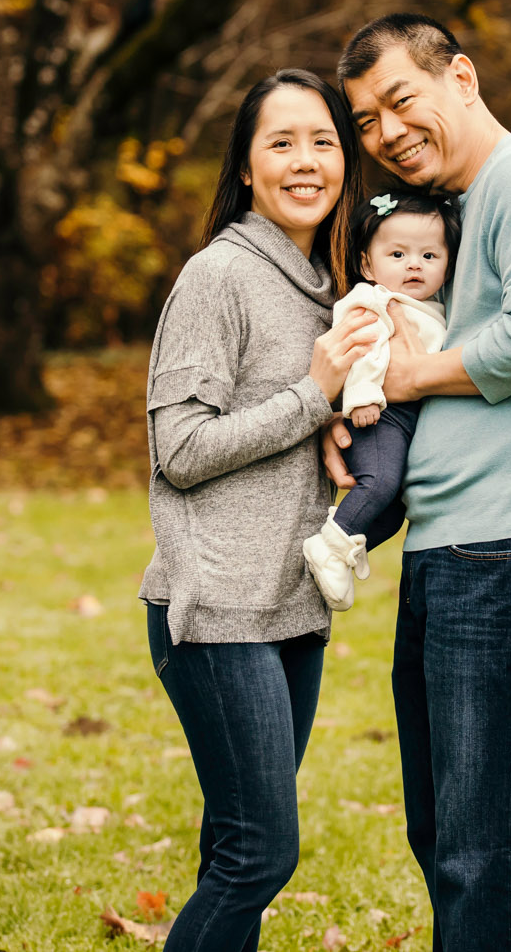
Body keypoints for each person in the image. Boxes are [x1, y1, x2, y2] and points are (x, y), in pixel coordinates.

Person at [326, 14, 511, 952]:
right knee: (458, 833)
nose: (386, 133)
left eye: (399, 100)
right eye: (366, 122)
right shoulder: (460, 210)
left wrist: (410, 377)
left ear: (461, 74)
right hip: (463, 544)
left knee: (482, 845)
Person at [139, 69, 380, 952]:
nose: (306, 161)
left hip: (290, 607)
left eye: (323, 141)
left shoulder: (332, 284)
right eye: (281, 143)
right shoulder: (220, 276)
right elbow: (182, 450)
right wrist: (311, 397)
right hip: (217, 611)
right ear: (246, 167)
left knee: (233, 847)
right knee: (260, 852)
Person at [300, 190, 459, 610]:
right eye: (398, 254)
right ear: (368, 264)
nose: (414, 265)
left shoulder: (435, 307)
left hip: (408, 418)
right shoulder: (372, 298)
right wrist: (364, 396)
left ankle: (344, 539)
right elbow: (366, 347)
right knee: (381, 482)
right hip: (377, 414)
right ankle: (328, 548)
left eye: (429, 256)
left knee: (391, 508)